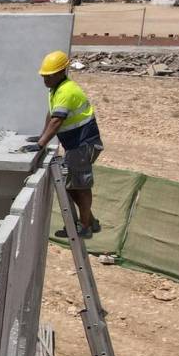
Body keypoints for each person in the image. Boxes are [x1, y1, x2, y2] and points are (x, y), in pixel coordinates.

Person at [24, 50, 104, 238]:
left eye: (48, 76)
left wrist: (41, 144)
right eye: (44, 76)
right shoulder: (56, 90)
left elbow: (57, 120)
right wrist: (42, 136)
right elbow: (51, 115)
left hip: (84, 144)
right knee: (72, 185)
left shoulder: (67, 91)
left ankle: (84, 228)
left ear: (61, 72)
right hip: (76, 145)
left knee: (81, 187)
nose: (45, 80)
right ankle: (90, 222)